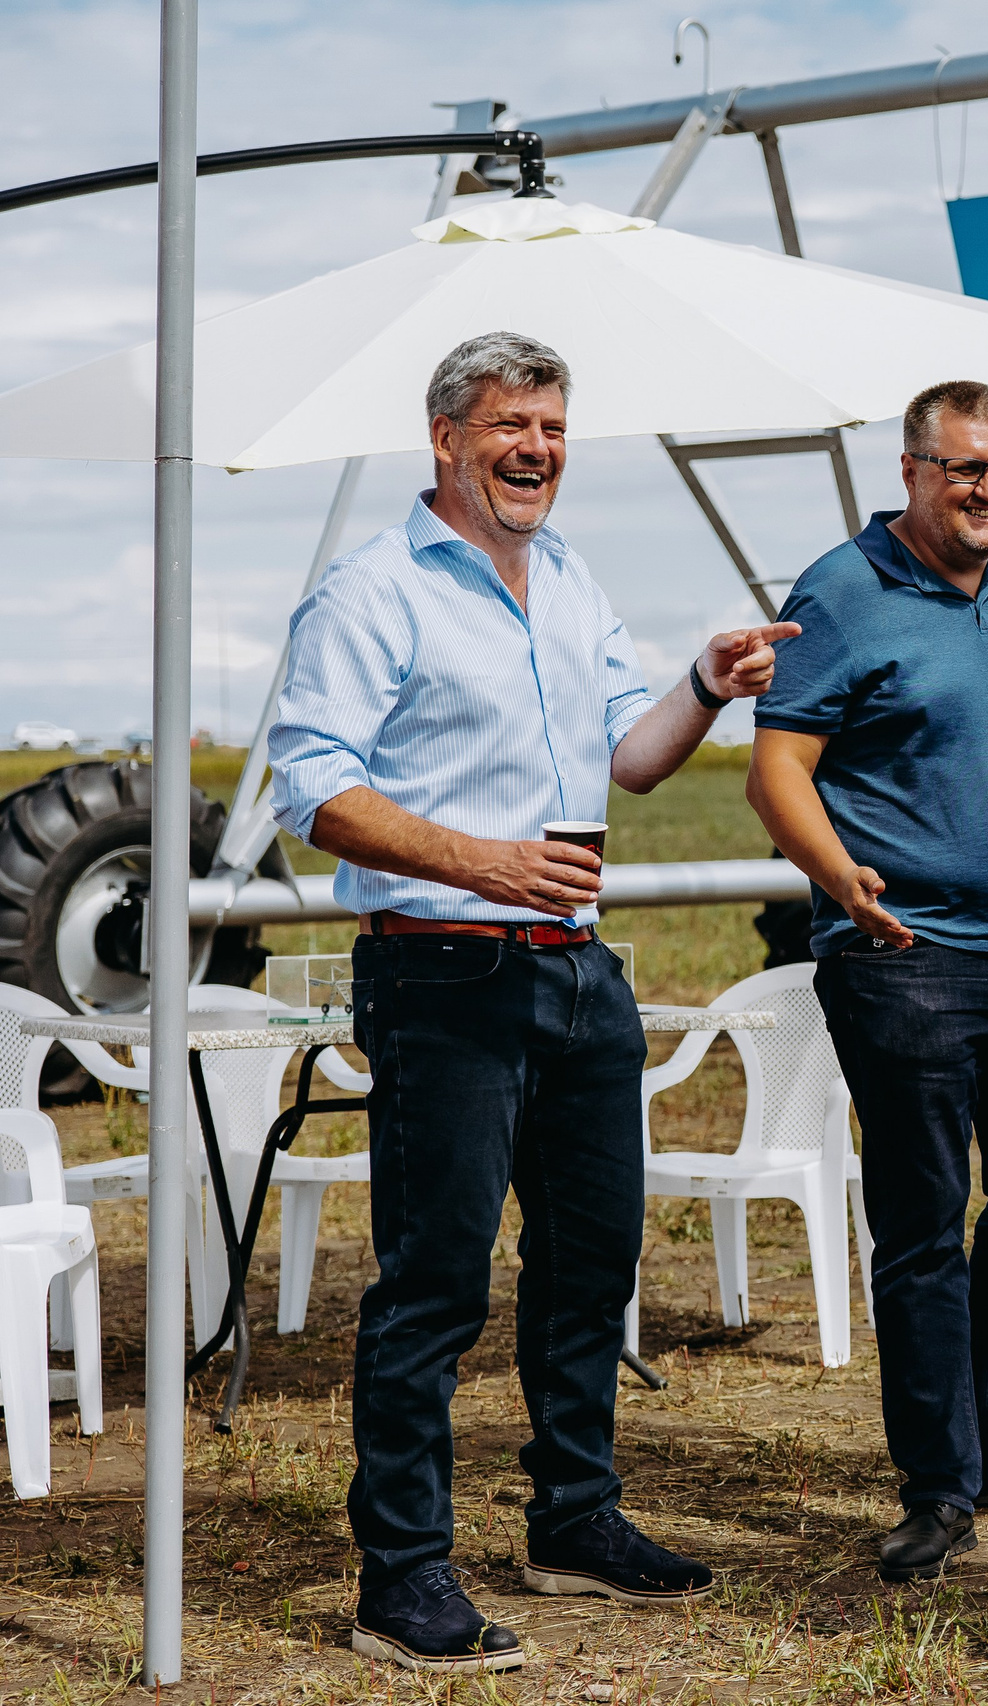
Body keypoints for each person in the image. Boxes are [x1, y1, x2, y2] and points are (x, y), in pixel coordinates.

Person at [267, 332, 799, 1673]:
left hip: (576, 966)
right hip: (441, 969)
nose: (537, 449)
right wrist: (483, 860)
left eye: (553, 428)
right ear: (445, 436)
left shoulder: (567, 578)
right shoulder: (372, 590)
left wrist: (706, 685)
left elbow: (633, 756)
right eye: (512, 425)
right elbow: (312, 788)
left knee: (593, 1262)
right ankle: (402, 1575)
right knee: (435, 1282)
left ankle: (574, 1518)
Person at [746, 380, 988, 1585]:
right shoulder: (839, 592)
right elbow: (777, 770)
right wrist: (838, 879)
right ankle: (940, 1484)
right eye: (966, 468)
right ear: (909, 472)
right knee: (922, 1224)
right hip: (907, 961)